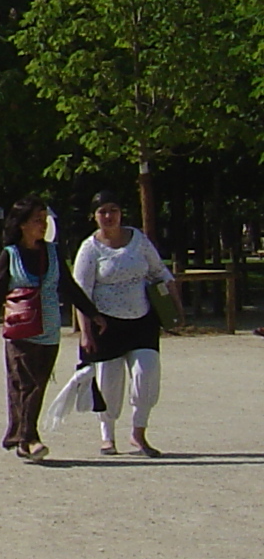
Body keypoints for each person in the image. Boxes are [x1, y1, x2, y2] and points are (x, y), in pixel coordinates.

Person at [0, 198, 96, 462]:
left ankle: (20, 437)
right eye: (36, 220)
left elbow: (70, 287)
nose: (42, 225)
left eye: (44, 219)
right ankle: (29, 437)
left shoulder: (53, 253)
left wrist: (93, 314)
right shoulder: (10, 255)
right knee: (24, 383)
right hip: (20, 331)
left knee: (37, 384)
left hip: (49, 330)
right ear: (22, 225)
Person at [69, 192, 176, 457]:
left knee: (146, 375)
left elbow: (159, 271)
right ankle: (107, 436)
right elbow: (81, 294)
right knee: (109, 383)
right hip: (106, 324)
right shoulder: (90, 248)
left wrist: (174, 304)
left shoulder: (138, 240)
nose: (108, 216)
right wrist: (86, 333)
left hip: (141, 321)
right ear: (93, 216)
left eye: (113, 210)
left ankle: (138, 434)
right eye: (102, 211)